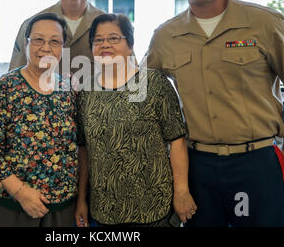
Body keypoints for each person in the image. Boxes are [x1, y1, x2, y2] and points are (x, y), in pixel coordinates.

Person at [146, 0, 284, 227]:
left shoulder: (265, 22)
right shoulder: (166, 36)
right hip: (198, 165)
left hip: (256, 161)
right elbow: (141, 93)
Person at [75, 13, 196, 227]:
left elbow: (177, 140)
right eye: (98, 40)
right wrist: (81, 200)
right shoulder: (86, 91)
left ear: (130, 45)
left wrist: (182, 192)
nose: (105, 45)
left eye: (114, 38)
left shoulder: (154, 83)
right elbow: (84, 150)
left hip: (153, 207)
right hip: (104, 211)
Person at [0, 13, 78, 227]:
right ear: (26, 43)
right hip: (14, 206)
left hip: (62, 207)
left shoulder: (66, 89)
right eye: (38, 40)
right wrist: (20, 193)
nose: (46, 48)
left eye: (54, 41)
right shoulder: (6, 87)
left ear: (63, 48)